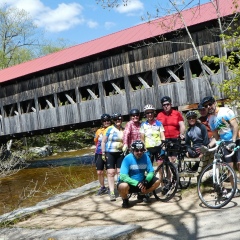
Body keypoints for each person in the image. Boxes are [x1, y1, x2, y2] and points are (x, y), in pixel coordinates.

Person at [201, 96, 240, 197]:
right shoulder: (211, 120)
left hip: (237, 139)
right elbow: (216, 136)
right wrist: (212, 146)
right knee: (229, 167)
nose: (209, 106)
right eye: (206, 106)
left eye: (210, 104)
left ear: (214, 103)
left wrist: (234, 141)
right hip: (225, 143)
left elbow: (235, 126)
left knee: (239, 165)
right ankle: (235, 189)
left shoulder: (226, 111)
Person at [117, 140, 160, 208]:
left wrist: (146, 180)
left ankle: (142, 194)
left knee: (157, 181)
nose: (139, 152)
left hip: (142, 183)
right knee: (122, 186)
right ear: (132, 150)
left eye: (141, 150)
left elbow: (151, 171)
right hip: (130, 183)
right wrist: (136, 183)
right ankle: (125, 199)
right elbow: (123, 176)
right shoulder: (127, 158)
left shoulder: (146, 157)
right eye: (137, 150)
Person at [101, 113, 124, 201]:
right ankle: (112, 191)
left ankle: (121, 189)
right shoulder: (109, 129)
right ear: (113, 121)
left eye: (119, 119)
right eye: (116, 120)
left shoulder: (123, 129)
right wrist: (103, 153)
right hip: (109, 153)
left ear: (121, 120)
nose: (118, 121)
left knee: (120, 172)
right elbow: (103, 141)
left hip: (120, 153)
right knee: (111, 172)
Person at [156, 96, 185, 163]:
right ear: (162, 106)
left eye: (167, 104)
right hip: (165, 139)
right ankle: (169, 172)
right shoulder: (159, 115)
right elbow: (157, 128)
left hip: (175, 138)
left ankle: (175, 172)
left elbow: (182, 125)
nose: (166, 106)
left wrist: (181, 133)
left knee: (174, 158)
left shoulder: (177, 113)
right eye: (164, 105)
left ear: (171, 104)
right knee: (167, 158)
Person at [94, 114, 111, 195]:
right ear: (102, 122)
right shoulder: (98, 131)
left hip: (109, 152)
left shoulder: (112, 129)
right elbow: (96, 141)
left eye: (108, 120)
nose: (106, 122)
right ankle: (102, 187)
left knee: (109, 171)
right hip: (99, 153)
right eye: (104, 121)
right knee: (99, 172)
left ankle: (110, 187)